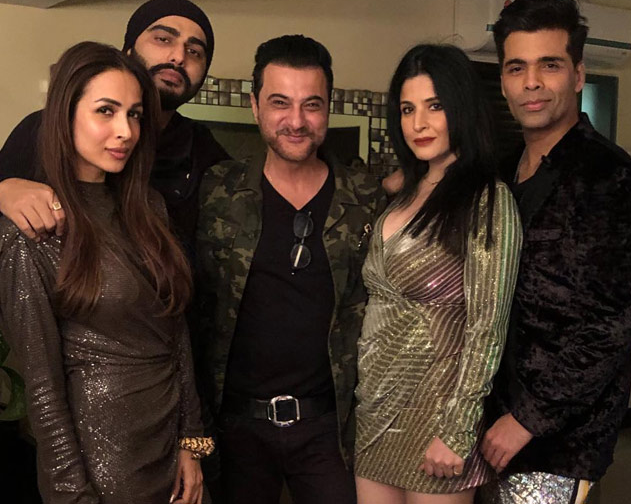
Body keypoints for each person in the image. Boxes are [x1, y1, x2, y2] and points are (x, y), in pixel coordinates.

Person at [0, 42, 214, 504]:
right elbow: (42, 387)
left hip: (173, 449)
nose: (126, 131)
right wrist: (71, 493)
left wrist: (191, 442)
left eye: (135, 115)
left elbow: (175, 332)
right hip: (103, 460)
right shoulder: (33, 227)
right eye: (106, 111)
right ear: (65, 115)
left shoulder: (149, 208)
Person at [195, 34, 387, 504]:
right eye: (280, 102)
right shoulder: (217, 190)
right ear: (254, 106)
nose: (296, 121)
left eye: (311, 105)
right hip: (235, 428)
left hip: (330, 430)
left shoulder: (366, 197)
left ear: (329, 108)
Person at [479, 0, 631, 504]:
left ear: (578, 75)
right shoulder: (501, 171)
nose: (531, 82)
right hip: (487, 420)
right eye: (517, 67)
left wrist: (526, 420)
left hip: (557, 442)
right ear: (504, 81)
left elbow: (612, 324)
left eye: (549, 65)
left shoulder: (610, 176)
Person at [353, 44, 522, 504]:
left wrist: (458, 429)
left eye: (435, 106)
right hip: (374, 411)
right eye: (408, 109)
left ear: (461, 108)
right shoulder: (402, 192)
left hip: (438, 421)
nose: (418, 124)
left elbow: (487, 326)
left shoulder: (487, 199)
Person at [0, 0, 228, 256]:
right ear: (128, 52)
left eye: (194, 52)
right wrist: (3, 191)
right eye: (163, 39)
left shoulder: (204, 150)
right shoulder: (40, 129)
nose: (178, 57)